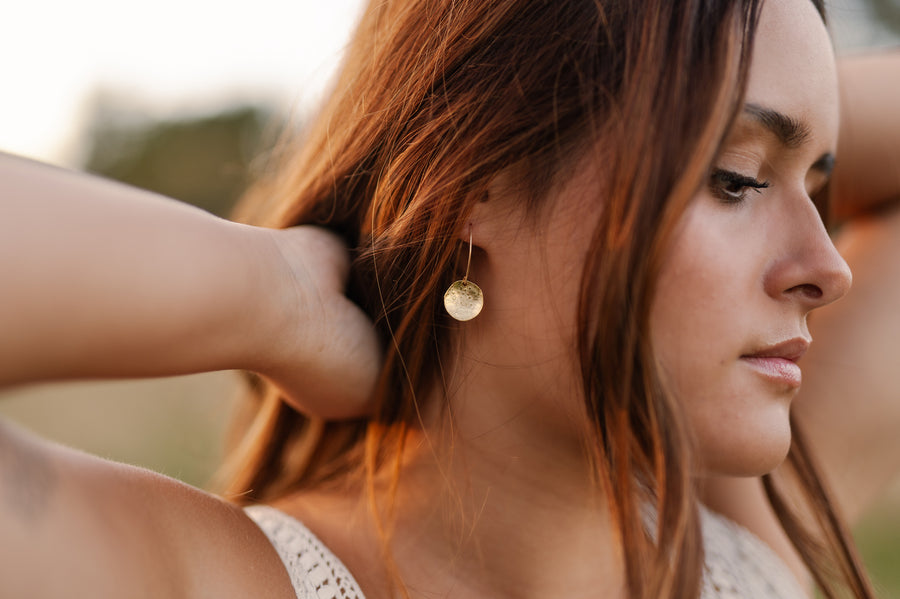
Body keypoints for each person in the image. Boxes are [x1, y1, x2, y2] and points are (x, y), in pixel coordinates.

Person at [1, 0, 898, 597]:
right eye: (736, 179)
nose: (827, 265)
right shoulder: (208, 577)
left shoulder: (744, 553)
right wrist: (280, 296)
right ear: (479, 186)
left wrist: (764, 82)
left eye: (815, 188)